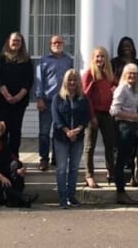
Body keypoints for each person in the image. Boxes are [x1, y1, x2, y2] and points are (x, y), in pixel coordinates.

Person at [51, 69, 91, 209]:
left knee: (74, 168)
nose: (72, 82)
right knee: (61, 169)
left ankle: (71, 195)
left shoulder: (83, 98)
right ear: (65, 81)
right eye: (70, 80)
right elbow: (56, 118)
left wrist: (78, 130)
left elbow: (87, 116)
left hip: (78, 137)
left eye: (75, 80)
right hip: (61, 137)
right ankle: (62, 197)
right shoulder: (58, 98)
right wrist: (67, 131)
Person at [34, 35, 74, 171]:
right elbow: (39, 80)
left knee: (60, 130)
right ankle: (43, 159)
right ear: (50, 44)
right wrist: (39, 98)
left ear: (64, 44)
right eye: (55, 42)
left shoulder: (68, 60)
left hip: (63, 100)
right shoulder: (44, 61)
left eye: (60, 42)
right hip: (47, 100)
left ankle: (57, 158)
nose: (57, 44)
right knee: (44, 132)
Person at [0, 32, 34, 158]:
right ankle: (2, 155)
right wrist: (7, 95)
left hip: (20, 101)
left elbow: (29, 80)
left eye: (18, 41)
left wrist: (18, 97)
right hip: (1, 100)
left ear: (22, 44)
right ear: (8, 42)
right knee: (3, 129)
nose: (16, 43)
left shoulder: (27, 60)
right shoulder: (1, 58)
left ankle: (14, 156)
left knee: (16, 129)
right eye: (13, 40)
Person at [82, 46, 116, 189]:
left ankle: (111, 172)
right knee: (90, 146)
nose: (100, 59)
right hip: (93, 113)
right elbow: (85, 96)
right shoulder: (89, 73)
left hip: (107, 113)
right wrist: (91, 116)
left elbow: (115, 86)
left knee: (110, 144)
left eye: (102, 56)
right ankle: (89, 175)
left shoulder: (108, 73)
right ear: (93, 58)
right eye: (97, 56)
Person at [110, 63, 138, 205]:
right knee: (121, 161)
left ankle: (134, 179)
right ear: (124, 74)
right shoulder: (122, 89)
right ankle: (120, 192)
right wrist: (131, 116)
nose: (132, 76)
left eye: (135, 73)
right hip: (123, 127)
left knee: (135, 154)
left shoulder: (134, 90)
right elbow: (114, 111)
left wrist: (136, 123)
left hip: (132, 127)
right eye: (129, 73)